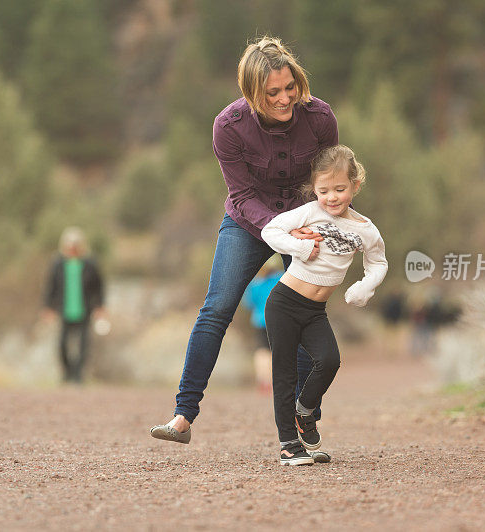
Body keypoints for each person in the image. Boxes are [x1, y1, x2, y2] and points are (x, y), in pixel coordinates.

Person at [150, 36, 338, 458]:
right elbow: (241, 194)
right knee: (216, 308)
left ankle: (301, 417)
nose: (285, 98)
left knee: (306, 313)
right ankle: (183, 416)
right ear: (251, 92)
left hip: (304, 221)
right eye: (272, 92)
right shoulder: (228, 126)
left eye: (290, 87)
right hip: (248, 222)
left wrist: (317, 225)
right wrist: (279, 229)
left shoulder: (320, 117)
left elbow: (327, 182)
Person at [260, 144, 388, 465]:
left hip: (315, 311)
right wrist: (299, 249)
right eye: (323, 190)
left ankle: (305, 412)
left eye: (340, 189)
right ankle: (289, 445)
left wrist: (365, 286)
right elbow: (270, 230)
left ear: (355, 186)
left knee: (329, 360)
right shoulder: (309, 212)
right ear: (314, 189)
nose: (331, 197)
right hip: (285, 303)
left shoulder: (365, 230)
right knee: (285, 372)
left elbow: (378, 263)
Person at [43, 227, 105, 383]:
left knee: (84, 345)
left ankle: (78, 376)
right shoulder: (58, 264)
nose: (73, 247)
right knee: (63, 344)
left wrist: (99, 306)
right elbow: (51, 286)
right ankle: (67, 373)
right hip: (64, 309)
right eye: (70, 244)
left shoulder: (90, 263)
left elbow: (98, 286)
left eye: (76, 244)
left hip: (84, 309)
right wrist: (48, 307)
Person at [241, 258, 284, 394]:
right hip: (279, 320)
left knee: (262, 351)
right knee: (279, 351)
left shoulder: (255, 283)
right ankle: (279, 382)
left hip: (259, 320)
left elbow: (247, 304)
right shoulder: (282, 278)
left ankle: (264, 382)